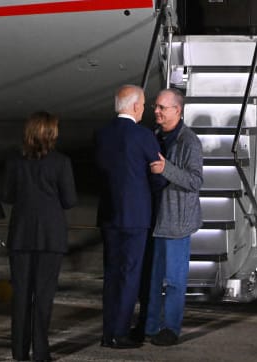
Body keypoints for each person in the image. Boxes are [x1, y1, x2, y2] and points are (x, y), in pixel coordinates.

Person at [3, 111, 77, 362]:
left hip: (21, 235)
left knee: (21, 296)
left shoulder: (15, 161)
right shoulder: (61, 162)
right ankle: (41, 352)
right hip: (50, 236)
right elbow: (69, 201)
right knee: (44, 297)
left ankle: (19, 352)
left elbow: (7, 195)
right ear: (52, 134)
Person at [95, 84, 163, 349]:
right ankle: (119, 333)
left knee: (112, 274)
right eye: (144, 105)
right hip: (136, 215)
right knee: (130, 275)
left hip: (109, 214)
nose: (144, 109)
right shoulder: (143, 136)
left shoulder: (102, 134)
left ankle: (107, 331)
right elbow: (156, 174)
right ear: (135, 107)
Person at [146, 88, 203, 346]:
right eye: (156, 107)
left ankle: (170, 328)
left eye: (162, 107)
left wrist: (165, 168)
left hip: (176, 222)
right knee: (154, 277)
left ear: (177, 111)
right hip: (156, 219)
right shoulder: (156, 136)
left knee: (175, 281)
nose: (156, 111)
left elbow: (194, 181)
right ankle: (150, 325)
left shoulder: (189, 141)